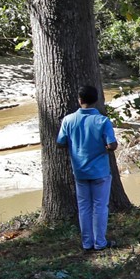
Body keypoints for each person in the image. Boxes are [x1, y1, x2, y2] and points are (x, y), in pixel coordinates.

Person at [56, 85, 118, 252]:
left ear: (80, 100)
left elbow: (60, 143)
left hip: (80, 171)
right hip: (100, 171)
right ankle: (100, 243)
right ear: (96, 100)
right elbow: (112, 145)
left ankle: (86, 243)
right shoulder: (103, 121)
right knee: (100, 206)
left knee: (84, 207)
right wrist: (105, 147)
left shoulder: (68, 120)